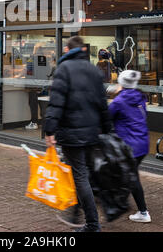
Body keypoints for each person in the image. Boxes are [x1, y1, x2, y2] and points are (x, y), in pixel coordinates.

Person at [44, 36, 112, 232]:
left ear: (67, 49)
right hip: (92, 132)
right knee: (85, 174)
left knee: (80, 177)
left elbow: (56, 103)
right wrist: (107, 129)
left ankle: (92, 224)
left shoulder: (63, 69)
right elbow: (102, 103)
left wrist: (50, 130)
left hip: (72, 133)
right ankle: (80, 214)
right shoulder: (93, 70)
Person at [108, 70, 151, 223]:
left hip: (130, 146)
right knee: (127, 174)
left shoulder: (119, 101)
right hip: (143, 143)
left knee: (131, 177)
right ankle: (118, 201)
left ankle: (143, 212)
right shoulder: (140, 97)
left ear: (121, 83)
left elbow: (107, 118)